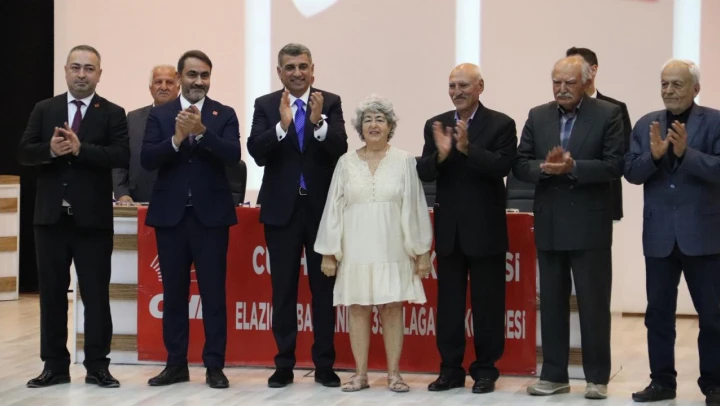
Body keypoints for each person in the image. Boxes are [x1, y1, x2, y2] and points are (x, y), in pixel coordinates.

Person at [17, 44, 129, 388]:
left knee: (96, 296)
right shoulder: (44, 108)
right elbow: (24, 152)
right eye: (76, 67)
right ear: (65, 71)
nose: (82, 74)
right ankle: (54, 366)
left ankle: (97, 366)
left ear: (99, 74)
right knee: (52, 296)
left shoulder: (112, 112)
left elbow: (120, 155)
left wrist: (82, 150)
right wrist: (50, 150)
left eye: (89, 69)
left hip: (92, 221)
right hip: (50, 219)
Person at [512, 56, 624, 399]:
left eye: (569, 83)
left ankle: (596, 378)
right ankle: (554, 375)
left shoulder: (608, 114)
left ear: (586, 82)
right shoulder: (538, 115)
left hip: (590, 225)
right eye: (556, 82)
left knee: (593, 304)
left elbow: (615, 165)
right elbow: (520, 163)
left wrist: (574, 167)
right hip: (550, 222)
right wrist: (544, 168)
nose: (561, 89)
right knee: (551, 304)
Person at [315, 95, 433, 392]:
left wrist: (422, 251)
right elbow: (333, 208)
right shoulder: (345, 162)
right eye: (367, 120)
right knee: (357, 308)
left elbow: (415, 206)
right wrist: (329, 251)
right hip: (356, 248)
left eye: (380, 119)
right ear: (360, 128)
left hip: (393, 247)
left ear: (390, 126)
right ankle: (360, 375)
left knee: (392, 307)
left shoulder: (405, 160)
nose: (373, 125)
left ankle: (394, 374)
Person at [247, 43, 347, 388]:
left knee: (324, 292)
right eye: (290, 67)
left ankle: (324, 365)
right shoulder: (266, 105)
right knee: (284, 291)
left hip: (321, 212)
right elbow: (256, 152)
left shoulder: (329, 102)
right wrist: (281, 126)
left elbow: (340, 148)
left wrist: (317, 124)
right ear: (280, 72)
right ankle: (284, 364)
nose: (297, 72)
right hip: (282, 212)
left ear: (312, 70)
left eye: (303, 66)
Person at [141, 50, 241, 389]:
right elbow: (147, 158)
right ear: (180, 77)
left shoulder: (223, 113)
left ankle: (214, 366)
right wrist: (177, 139)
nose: (199, 81)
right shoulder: (161, 114)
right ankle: (176, 364)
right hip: (171, 218)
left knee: (213, 294)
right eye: (192, 74)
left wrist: (202, 132)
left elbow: (233, 155)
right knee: (174, 294)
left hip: (210, 219)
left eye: (205, 75)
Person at [624, 59, 720, 405]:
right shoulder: (646, 124)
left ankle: (714, 384)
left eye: (677, 84)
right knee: (658, 315)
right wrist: (653, 157)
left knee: (713, 316)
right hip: (659, 236)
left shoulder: (715, 121)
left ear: (696, 88)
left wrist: (685, 154)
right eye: (664, 84)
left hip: (703, 235)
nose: (669, 90)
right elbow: (630, 172)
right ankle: (662, 382)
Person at [417, 63, 517, 394]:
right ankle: (450, 369)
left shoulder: (501, 123)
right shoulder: (437, 124)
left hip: (486, 230)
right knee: (449, 306)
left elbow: (503, 166)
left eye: (463, 85)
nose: (457, 92)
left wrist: (467, 150)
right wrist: (442, 155)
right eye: (452, 86)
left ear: (480, 87)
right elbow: (425, 172)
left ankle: (486, 369)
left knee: (488, 305)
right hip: (450, 231)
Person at [566, 47, 632, 221]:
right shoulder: (554, 111)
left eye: (575, 67)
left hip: (604, 200)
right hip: (564, 201)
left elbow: (622, 156)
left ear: (593, 70)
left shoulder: (615, 109)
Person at [113, 65, 179, 203]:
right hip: (137, 200)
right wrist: (121, 193)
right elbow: (120, 158)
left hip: (178, 200)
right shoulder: (133, 118)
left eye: (169, 82)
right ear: (150, 87)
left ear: (178, 87)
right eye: (158, 82)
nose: (164, 87)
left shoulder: (189, 119)